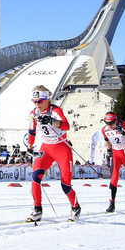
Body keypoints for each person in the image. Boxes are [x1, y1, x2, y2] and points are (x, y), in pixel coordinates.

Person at [26, 85, 81, 222]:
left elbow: (66, 126)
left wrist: (52, 121)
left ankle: (75, 207)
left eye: (39, 101)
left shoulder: (55, 110)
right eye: (34, 101)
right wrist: (29, 148)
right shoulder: (34, 113)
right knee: (35, 177)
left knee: (65, 184)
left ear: (47, 99)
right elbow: (32, 131)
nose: (37, 104)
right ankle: (37, 209)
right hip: (46, 148)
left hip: (61, 148)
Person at [101, 111, 125, 212]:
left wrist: (123, 133)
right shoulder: (104, 130)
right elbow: (107, 141)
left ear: (116, 120)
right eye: (107, 123)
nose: (110, 126)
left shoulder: (124, 125)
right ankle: (111, 204)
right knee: (113, 177)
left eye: (111, 123)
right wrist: (109, 151)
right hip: (116, 153)